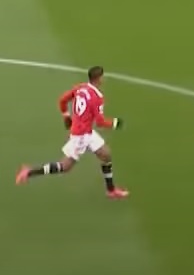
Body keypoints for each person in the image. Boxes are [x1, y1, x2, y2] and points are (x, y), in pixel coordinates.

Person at [16, 65, 129, 199]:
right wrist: (116, 123)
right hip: (81, 136)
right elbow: (100, 122)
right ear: (99, 79)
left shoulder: (80, 88)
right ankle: (29, 172)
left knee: (106, 154)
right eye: (102, 77)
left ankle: (111, 190)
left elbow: (62, 100)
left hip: (86, 132)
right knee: (65, 166)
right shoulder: (97, 97)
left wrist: (66, 116)